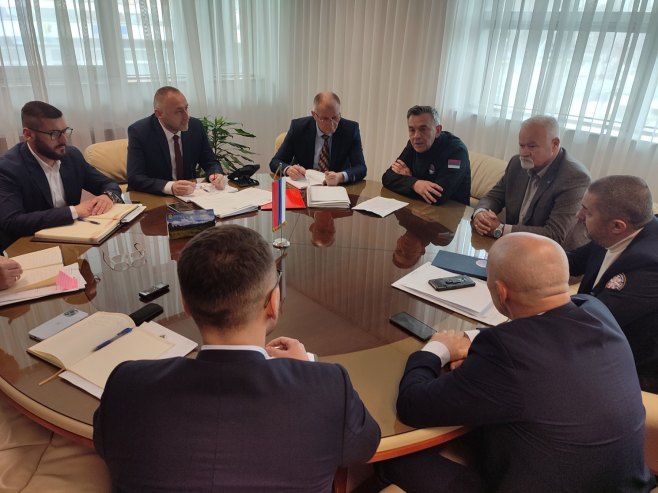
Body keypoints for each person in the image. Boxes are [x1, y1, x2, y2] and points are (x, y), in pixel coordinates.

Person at [94, 225, 380, 492]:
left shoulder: (126, 385)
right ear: (274, 303)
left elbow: (105, 443)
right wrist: (307, 375)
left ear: (186, 305)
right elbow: (365, 446)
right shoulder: (329, 388)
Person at [377, 233, 653, 492]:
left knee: (396, 460)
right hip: (623, 484)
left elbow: (412, 405)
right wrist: (472, 343)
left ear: (501, 291)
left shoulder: (507, 353)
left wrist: (437, 348)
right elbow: (538, 339)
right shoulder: (594, 309)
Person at [568, 175, 658, 394]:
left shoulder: (651, 265)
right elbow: (570, 261)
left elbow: (591, 319)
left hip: (631, 370)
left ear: (618, 226)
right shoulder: (612, 232)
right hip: (592, 341)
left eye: (587, 212)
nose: (579, 215)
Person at [0, 101, 122, 250]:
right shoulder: (8, 168)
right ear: (28, 134)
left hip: (73, 240)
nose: (64, 140)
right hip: (29, 247)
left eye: (64, 131)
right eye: (54, 134)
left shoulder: (72, 156)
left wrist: (108, 196)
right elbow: (12, 221)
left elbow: (108, 184)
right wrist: (74, 211)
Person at [472, 115, 590, 249]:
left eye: (531, 146)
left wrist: (500, 229)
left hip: (553, 253)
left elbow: (554, 234)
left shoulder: (575, 177)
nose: (523, 153)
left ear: (554, 144)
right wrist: (481, 213)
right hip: (514, 246)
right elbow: (493, 197)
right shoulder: (516, 163)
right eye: (521, 145)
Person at [127, 86, 225, 196]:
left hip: (190, 196)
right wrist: (170, 187)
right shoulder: (140, 132)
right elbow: (135, 178)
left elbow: (210, 162)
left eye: (186, 108)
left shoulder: (195, 126)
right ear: (159, 114)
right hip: (154, 197)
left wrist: (215, 174)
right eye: (179, 111)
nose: (186, 116)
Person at [269, 91, 367, 185]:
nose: (332, 124)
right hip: (303, 185)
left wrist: (340, 177)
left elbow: (361, 167)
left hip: (336, 187)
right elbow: (276, 161)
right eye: (325, 119)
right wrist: (288, 170)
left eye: (335, 117)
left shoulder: (350, 130)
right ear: (314, 115)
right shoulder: (298, 128)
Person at [382, 105, 471, 206]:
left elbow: (437, 196)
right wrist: (415, 184)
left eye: (423, 129)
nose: (416, 136)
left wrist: (410, 180)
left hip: (450, 210)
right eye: (412, 130)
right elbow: (387, 178)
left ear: (437, 130)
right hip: (417, 206)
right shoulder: (414, 144)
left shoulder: (456, 152)